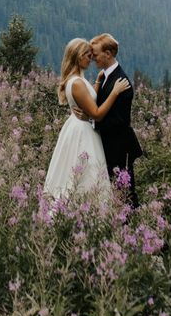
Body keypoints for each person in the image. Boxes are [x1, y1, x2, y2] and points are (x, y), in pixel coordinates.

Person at [43, 38, 130, 204]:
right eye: (88, 56)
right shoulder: (77, 83)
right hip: (82, 130)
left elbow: (89, 100)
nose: (91, 60)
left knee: (80, 171)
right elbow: (96, 113)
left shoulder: (77, 80)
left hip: (79, 126)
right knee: (85, 173)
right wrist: (115, 92)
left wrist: (97, 82)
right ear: (79, 56)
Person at [91, 32, 143, 207]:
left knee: (125, 190)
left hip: (119, 146)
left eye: (96, 54)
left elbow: (120, 121)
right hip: (112, 144)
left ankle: (131, 226)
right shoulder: (106, 76)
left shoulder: (121, 82)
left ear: (108, 54)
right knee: (115, 189)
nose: (93, 58)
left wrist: (94, 122)